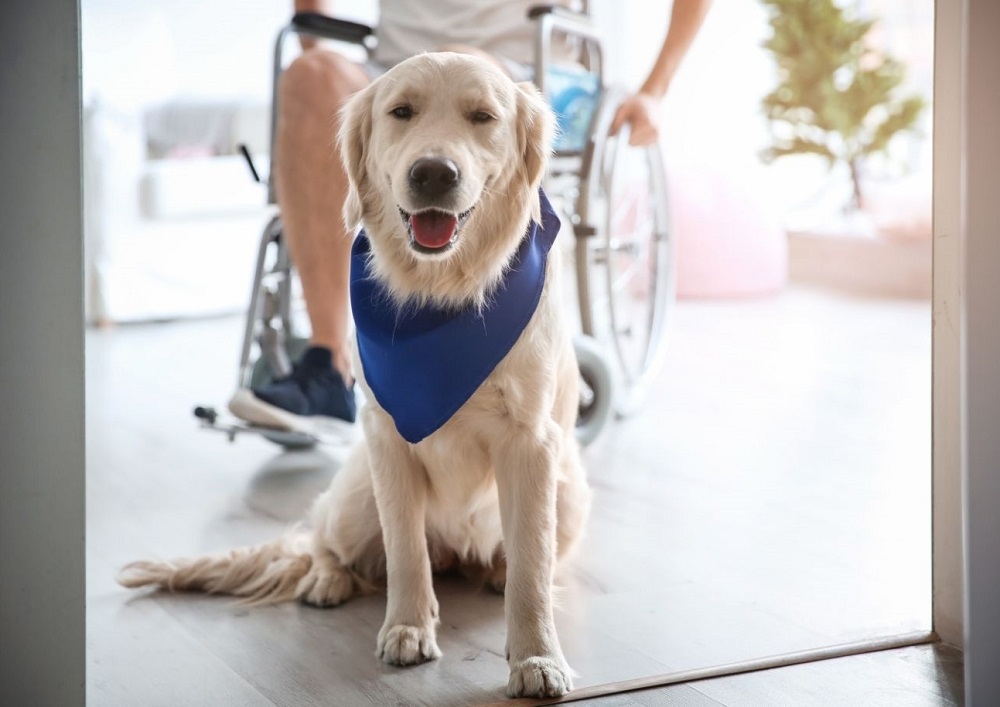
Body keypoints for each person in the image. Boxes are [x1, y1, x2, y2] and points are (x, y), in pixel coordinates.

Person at [228, 0, 713, 433]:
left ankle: (466, 364)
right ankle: (327, 365)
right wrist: (319, 36)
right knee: (311, 74)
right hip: (392, 71)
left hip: (527, 69)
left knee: (462, 64)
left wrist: (656, 89)